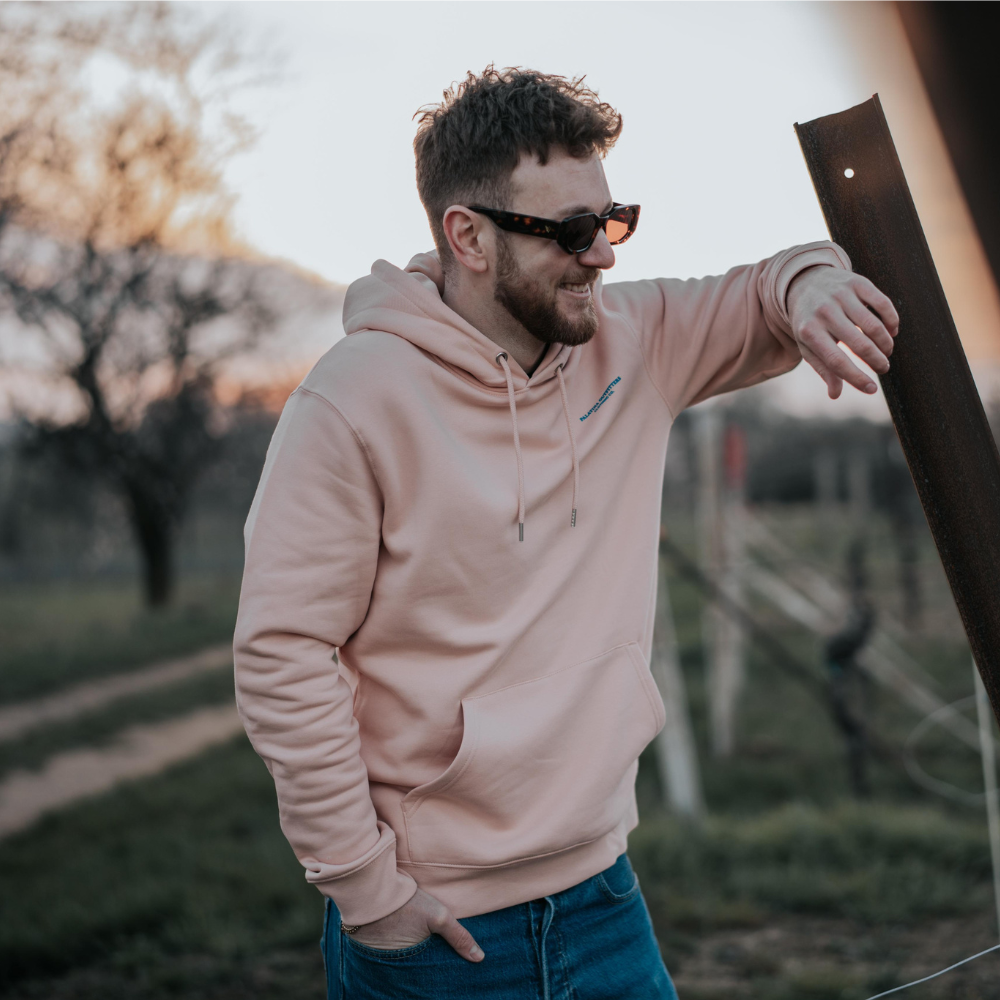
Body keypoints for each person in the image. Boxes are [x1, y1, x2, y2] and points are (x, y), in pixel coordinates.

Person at [233, 67, 898, 999]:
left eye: (614, 219)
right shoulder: (349, 403)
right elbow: (282, 652)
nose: (604, 256)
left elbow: (768, 284)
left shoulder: (633, 338)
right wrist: (366, 892)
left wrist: (816, 285)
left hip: (604, 897)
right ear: (467, 236)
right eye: (573, 232)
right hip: (435, 930)